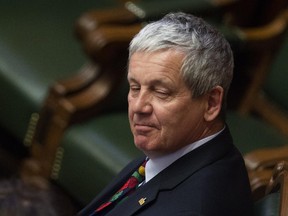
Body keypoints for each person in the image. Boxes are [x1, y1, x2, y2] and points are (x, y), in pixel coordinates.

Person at [78, 12, 253, 216]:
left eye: (161, 92)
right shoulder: (174, 152)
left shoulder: (193, 207)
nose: (138, 107)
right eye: (134, 87)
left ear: (211, 103)